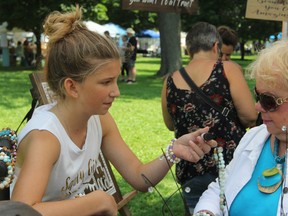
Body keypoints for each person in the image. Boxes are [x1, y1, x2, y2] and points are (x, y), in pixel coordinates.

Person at [10, 7, 217, 216]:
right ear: (72, 87)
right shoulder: (45, 137)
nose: (116, 92)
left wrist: (174, 152)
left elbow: (138, 177)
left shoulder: (99, 121)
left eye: (116, 80)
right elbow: (21, 211)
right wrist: (96, 202)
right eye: (106, 82)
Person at [161, 22, 257, 215]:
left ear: (188, 49)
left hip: (190, 170)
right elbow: (250, 116)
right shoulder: (227, 69)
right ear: (215, 46)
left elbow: (170, 124)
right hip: (230, 166)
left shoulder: (170, 80)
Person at [193, 39, 288, 216]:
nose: (257, 107)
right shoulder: (255, 136)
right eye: (257, 96)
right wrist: (206, 212)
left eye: (268, 101)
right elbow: (220, 188)